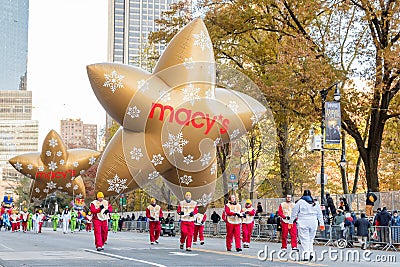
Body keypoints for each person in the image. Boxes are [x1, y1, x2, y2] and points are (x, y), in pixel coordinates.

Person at [289, 190, 324, 261]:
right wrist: (321, 224)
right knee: (311, 239)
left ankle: (306, 255)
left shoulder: (300, 202)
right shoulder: (315, 202)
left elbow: (294, 213)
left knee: (305, 239)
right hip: (313, 221)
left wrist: (290, 222)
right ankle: (311, 253)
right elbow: (320, 214)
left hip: (303, 222)